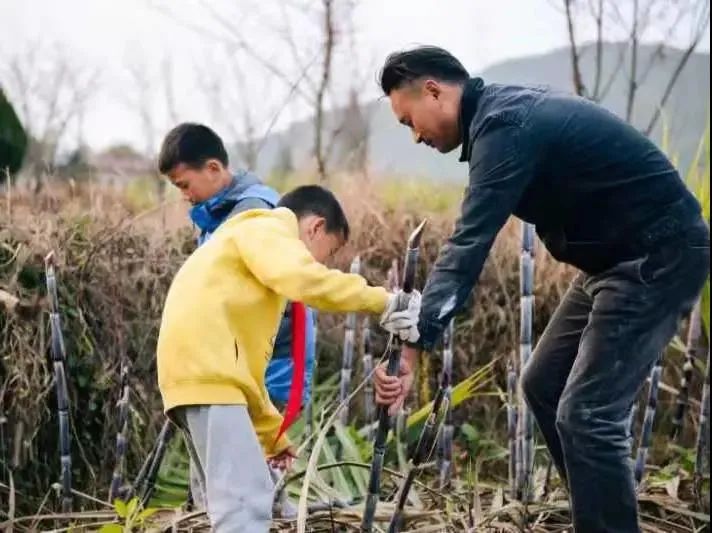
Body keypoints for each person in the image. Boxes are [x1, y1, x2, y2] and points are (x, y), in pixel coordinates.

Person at [372, 45, 710, 533]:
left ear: (433, 90)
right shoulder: (498, 120)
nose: (415, 136)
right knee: (544, 385)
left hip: (658, 253)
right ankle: (599, 517)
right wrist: (409, 353)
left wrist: (414, 341)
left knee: (588, 414)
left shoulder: (507, 126)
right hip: (611, 263)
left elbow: (469, 243)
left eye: (409, 122)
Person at [156, 184, 421, 531]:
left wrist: (271, 436)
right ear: (314, 227)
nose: (323, 263)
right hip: (207, 378)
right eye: (329, 251)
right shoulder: (265, 228)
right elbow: (304, 279)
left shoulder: (240, 248)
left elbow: (244, 373)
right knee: (244, 510)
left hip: (198, 376)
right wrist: (384, 302)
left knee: (240, 499)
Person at [158, 123, 316, 412]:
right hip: (239, 369)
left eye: (184, 185)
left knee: (261, 456)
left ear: (214, 169)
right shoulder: (216, 216)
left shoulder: (252, 214)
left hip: (270, 371)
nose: (184, 195)